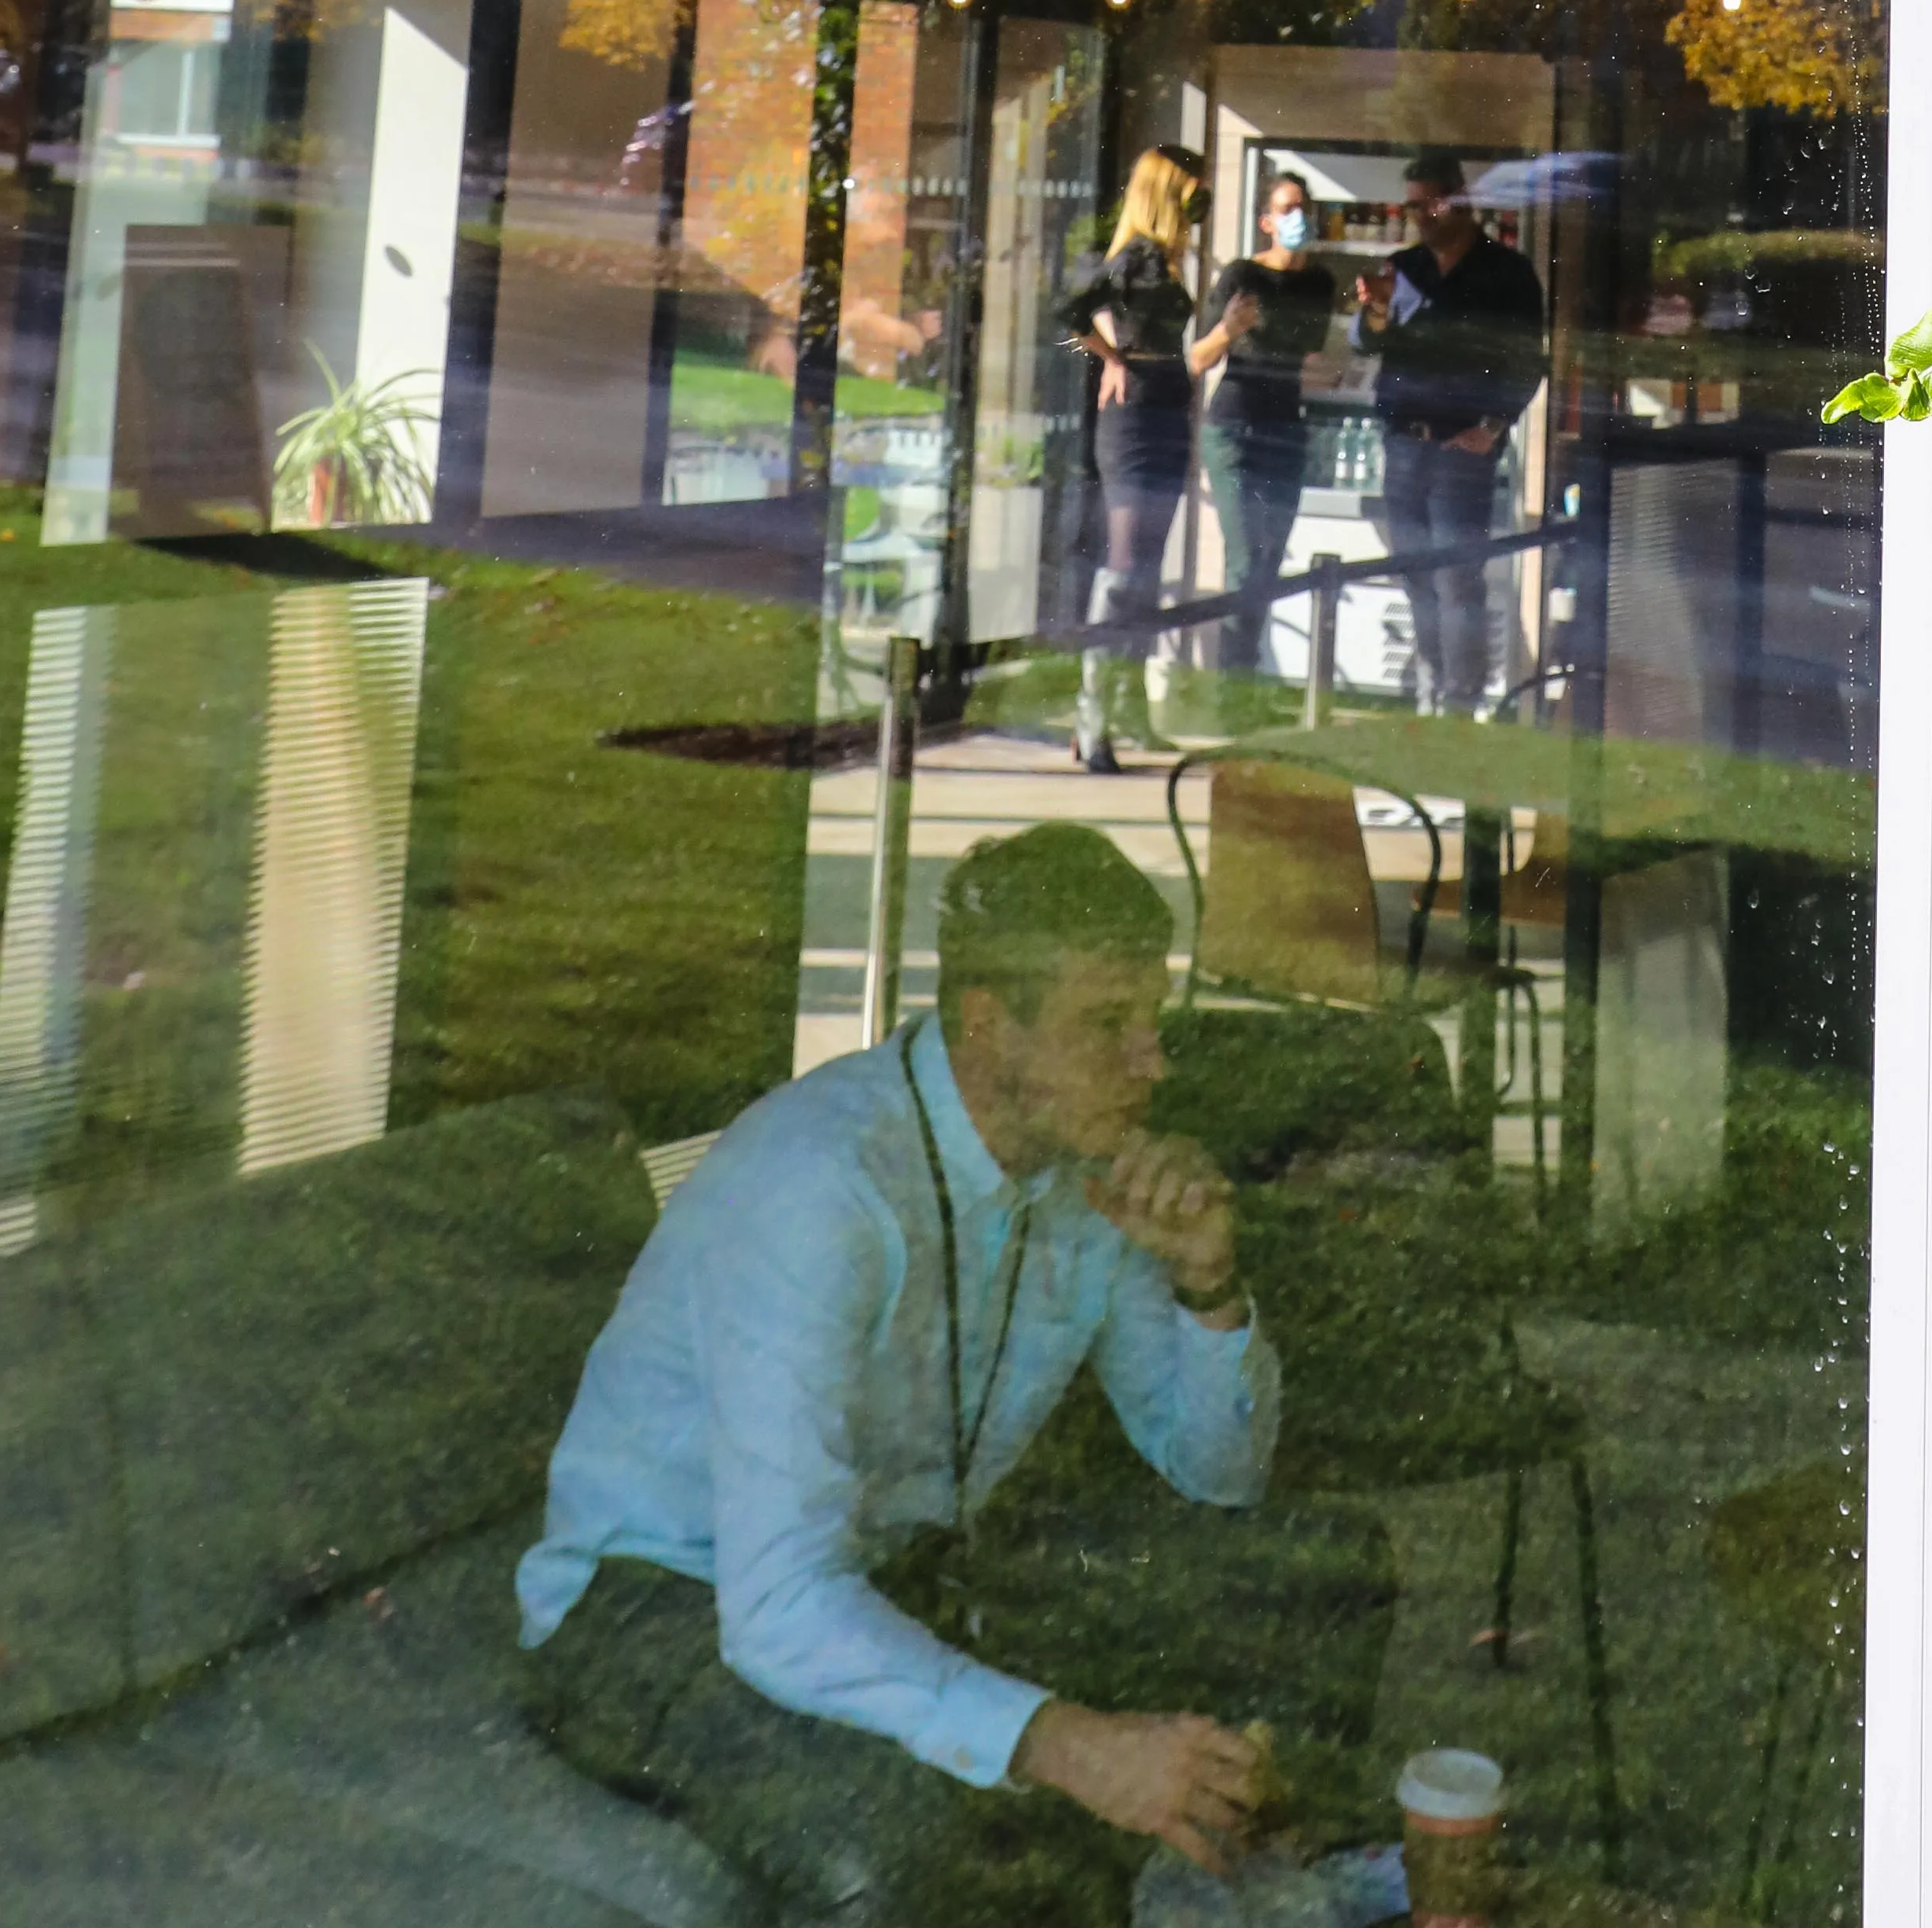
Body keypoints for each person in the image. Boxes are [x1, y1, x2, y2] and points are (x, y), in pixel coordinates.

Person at [520, 824, 1390, 1923]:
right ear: (987, 1024)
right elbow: (779, 1601)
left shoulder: (1083, 1166)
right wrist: (1073, 1747)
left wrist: (1208, 1284)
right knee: (918, 1839)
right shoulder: (824, 1187)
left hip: (900, 1566)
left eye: (1151, 1022)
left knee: (1322, 1570)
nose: (1154, 1066)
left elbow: (1216, 1478)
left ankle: (1209, 1881)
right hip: (657, 1604)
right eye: (1107, 1027)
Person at [1364, 157, 1546, 717]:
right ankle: (1430, 688)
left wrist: (1492, 427)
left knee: (1456, 579)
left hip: (1460, 448)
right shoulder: (1402, 268)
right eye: (1411, 206)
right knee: (1414, 572)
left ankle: (1460, 702)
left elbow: (1528, 362)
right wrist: (1373, 309)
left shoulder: (1507, 273)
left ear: (1459, 201)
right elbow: (1369, 344)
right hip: (1404, 442)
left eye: (1429, 203)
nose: (1419, 215)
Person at [1063, 143, 1202, 769]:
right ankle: (1092, 719)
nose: (1201, 204)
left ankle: (1125, 711)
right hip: (1137, 410)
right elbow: (1066, 310)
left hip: (1166, 402)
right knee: (1124, 567)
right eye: (1193, 192)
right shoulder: (1137, 256)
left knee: (1144, 567)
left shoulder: (1165, 260)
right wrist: (1111, 355)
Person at [1186, 167, 1339, 682]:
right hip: (1235, 428)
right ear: (1267, 221)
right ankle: (1234, 684)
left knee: (1270, 558)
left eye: (1304, 209)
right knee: (1246, 557)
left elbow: (1307, 360)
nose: (1298, 218)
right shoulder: (1242, 276)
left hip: (1286, 428)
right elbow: (1197, 358)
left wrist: (1335, 373)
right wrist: (1228, 329)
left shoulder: (1319, 283)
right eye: (1288, 209)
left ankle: (1244, 680)